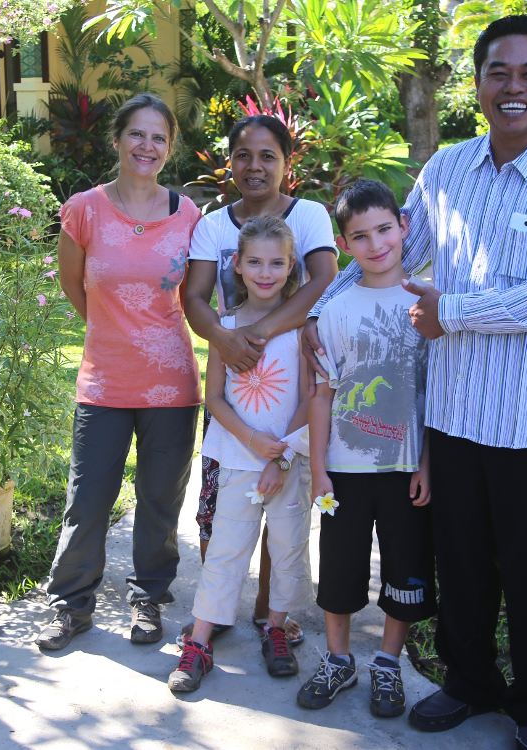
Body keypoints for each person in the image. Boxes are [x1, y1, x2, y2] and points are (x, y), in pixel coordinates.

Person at [304, 16, 527, 750]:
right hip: (450, 411)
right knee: (463, 564)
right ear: (476, 84)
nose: (513, 87)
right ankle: (469, 682)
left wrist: (455, 311)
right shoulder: (445, 169)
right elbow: (391, 253)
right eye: (497, 73)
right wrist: (322, 307)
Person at [37, 94, 203, 652]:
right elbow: (73, 284)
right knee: (87, 499)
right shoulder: (84, 208)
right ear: (117, 140)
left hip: (173, 383)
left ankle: (148, 598)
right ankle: (71, 606)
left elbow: (199, 294)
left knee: (160, 498)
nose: (147, 146)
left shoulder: (188, 215)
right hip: (105, 379)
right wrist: (112, 332)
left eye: (159, 138)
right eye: (137, 134)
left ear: (169, 147)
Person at [184, 114, 339, 643]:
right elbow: (195, 297)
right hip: (234, 377)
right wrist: (225, 339)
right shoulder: (212, 224)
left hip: (280, 362)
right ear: (230, 161)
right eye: (244, 155)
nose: (255, 166)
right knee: (219, 514)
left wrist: (261, 331)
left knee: (286, 525)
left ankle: (273, 618)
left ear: (286, 163)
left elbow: (323, 280)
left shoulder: (311, 215)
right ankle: (218, 610)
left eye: (268, 155)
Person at [294, 180, 436, 718]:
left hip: (406, 470)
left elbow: (436, 396)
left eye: (384, 229)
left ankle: (386, 662)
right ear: (344, 243)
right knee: (339, 568)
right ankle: (337, 660)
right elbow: (321, 393)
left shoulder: (428, 304)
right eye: (361, 236)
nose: (376, 244)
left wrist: (427, 462)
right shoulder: (334, 310)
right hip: (345, 471)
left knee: (405, 567)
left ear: (404, 227)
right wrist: (320, 468)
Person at [167, 215, 313, 693]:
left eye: (276, 262)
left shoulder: (302, 329)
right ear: (238, 265)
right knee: (226, 551)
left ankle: (276, 628)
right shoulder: (225, 328)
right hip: (235, 459)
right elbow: (214, 399)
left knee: (288, 547)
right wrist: (252, 442)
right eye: (255, 262)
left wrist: (281, 458)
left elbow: (313, 398)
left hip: (287, 464)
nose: (266, 272)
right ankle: (201, 641)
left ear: (291, 265)